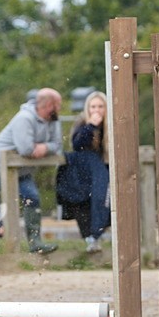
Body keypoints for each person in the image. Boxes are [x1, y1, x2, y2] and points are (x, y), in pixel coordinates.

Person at [0, 88, 63, 254]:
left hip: (20, 170)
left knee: (32, 198)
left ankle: (35, 242)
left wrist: (44, 147)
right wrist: (41, 148)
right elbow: (26, 149)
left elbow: (57, 145)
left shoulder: (53, 120)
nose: (60, 108)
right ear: (49, 105)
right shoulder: (24, 118)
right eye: (58, 105)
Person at [56, 91, 111, 253]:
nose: (97, 110)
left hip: (102, 168)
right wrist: (91, 126)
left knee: (103, 199)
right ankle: (91, 237)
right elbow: (77, 144)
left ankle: (97, 234)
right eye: (93, 106)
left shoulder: (112, 124)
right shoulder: (82, 123)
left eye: (100, 106)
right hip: (83, 170)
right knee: (83, 202)